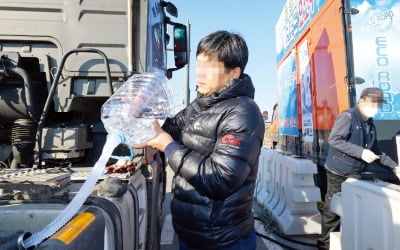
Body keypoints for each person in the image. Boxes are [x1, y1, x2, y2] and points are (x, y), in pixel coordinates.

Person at [135, 31, 265, 249]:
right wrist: (142, 116)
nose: (199, 75)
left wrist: (167, 145)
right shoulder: (202, 104)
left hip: (221, 240)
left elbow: (220, 179)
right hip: (192, 233)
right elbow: (170, 129)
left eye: (209, 67)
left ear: (233, 73)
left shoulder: (243, 112)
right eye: (198, 65)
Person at [318, 87, 398, 249]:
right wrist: (360, 152)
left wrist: (395, 167)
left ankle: (345, 242)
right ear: (361, 101)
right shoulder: (348, 117)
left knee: (350, 210)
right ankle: (324, 245)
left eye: (378, 104)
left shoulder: (370, 124)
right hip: (338, 172)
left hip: (355, 174)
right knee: (333, 211)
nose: (375, 107)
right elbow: (335, 140)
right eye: (372, 103)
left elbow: (377, 151)